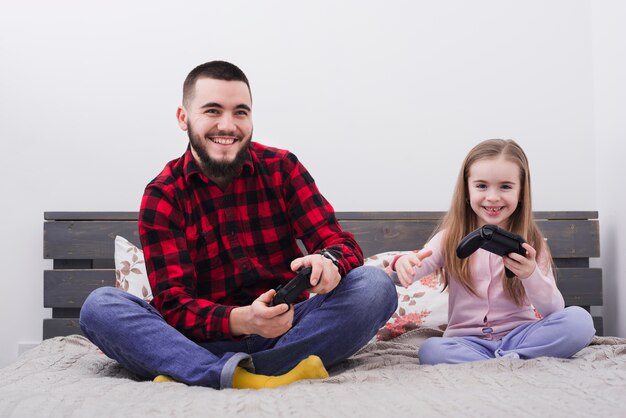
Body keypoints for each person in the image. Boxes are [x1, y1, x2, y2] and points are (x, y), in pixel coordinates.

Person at [79, 60, 397, 389]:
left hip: (290, 328)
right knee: (100, 307)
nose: (228, 125)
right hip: (199, 340)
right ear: (183, 118)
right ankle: (253, 372)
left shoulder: (282, 168)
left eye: (240, 112)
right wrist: (243, 320)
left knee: (375, 285)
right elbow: (174, 304)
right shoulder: (163, 194)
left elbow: (341, 244)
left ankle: (218, 374)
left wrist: (328, 263)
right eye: (213, 111)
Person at [390, 139, 595, 364]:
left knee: (580, 321)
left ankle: (499, 360)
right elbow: (406, 273)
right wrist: (403, 263)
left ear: (521, 192)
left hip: (520, 336)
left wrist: (530, 274)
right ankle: (511, 361)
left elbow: (553, 310)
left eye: (505, 186)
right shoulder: (448, 239)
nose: (493, 197)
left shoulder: (532, 242)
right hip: (466, 341)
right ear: (466, 191)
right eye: (481, 186)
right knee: (431, 350)